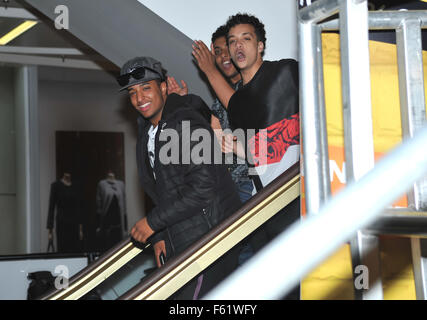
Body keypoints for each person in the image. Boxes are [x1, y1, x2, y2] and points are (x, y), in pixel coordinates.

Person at [117, 56, 241, 299]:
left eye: (146, 88)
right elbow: (160, 193)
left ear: (163, 88)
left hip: (209, 240)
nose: (139, 98)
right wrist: (160, 236)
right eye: (132, 92)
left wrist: (152, 223)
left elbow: (204, 187)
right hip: (183, 241)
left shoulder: (186, 122)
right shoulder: (148, 134)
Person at [47, 172, 83, 253]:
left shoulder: (75, 186)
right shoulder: (56, 186)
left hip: (74, 222)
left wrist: (80, 228)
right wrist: (50, 229)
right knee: (63, 248)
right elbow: (51, 207)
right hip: (61, 222)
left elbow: (78, 207)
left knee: (75, 248)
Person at [95, 171, 127, 252]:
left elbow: (124, 203)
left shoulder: (121, 184)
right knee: (107, 247)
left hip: (118, 221)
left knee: (118, 246)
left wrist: (125, 224)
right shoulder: (102, 184)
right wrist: (98, 223)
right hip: (107, 221)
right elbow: (99, 203)